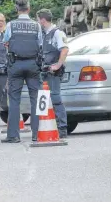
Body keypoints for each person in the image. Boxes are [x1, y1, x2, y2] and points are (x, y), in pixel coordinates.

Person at [2, 0, 43, 143]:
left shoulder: (10, 25)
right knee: (35, 99)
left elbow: (5, 42)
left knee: (14, 100)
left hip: (16, 64)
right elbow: (40, 44)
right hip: (33, 65)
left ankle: (13, 135)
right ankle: (37, 133)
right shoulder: (36, 26)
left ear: (16, 9)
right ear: (29, 8)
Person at [36, 9, 69, 138]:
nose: (38, 22)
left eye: (38, 20)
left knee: (55, 98)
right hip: (44, 71)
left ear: (42, 20)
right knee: (42, 99)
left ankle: (62, 128)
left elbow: (64, 49)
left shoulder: (57, 33)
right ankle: (44, 126)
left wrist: (58, 65)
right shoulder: (43, 35)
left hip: (53, 72)